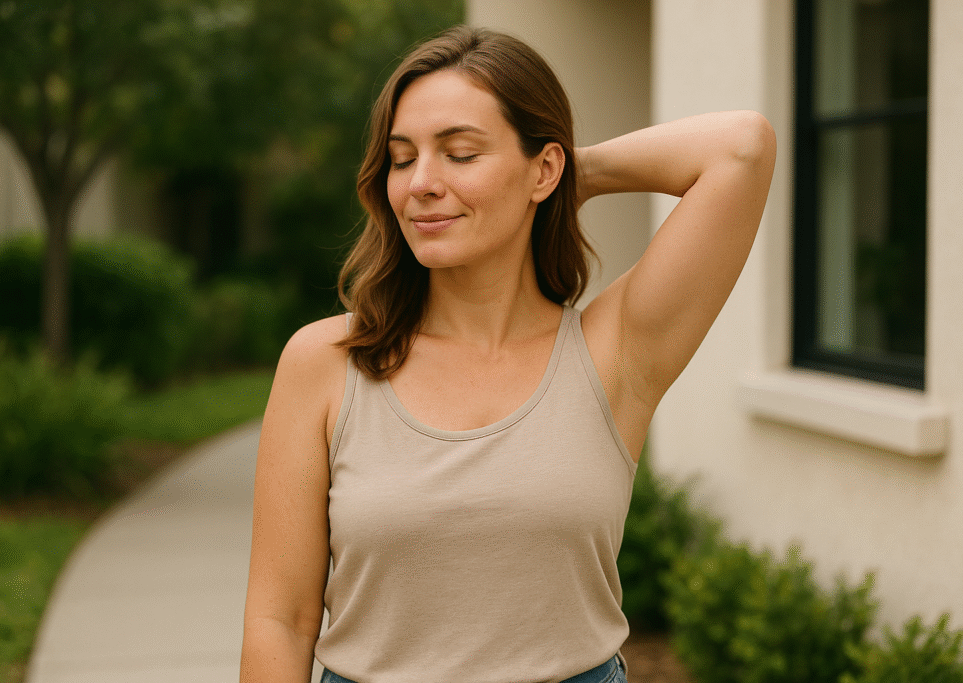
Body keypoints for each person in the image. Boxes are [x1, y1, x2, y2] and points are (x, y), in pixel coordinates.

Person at [240, 25, 775, 683]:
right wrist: (506, 179)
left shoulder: (615, 351)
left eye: (460, 153)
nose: (421, 183)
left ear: (544, 168)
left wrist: (574, 175)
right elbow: (280, 618)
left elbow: (742, 149)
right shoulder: (325, 362)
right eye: (402, 158)